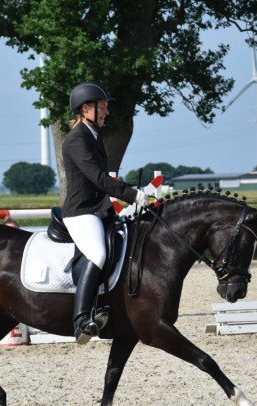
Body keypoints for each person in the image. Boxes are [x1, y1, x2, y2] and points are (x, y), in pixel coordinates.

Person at [62, 80, 150, 344]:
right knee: (98, 253)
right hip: (81, 211)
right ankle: (80, 321)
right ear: (86, 108)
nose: (107, 112)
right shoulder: (77, 139)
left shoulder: (93, 134)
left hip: (99, 208)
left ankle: (109, 305)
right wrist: (133, 194)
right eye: (102, 107)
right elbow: (99, 178)